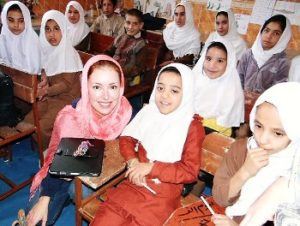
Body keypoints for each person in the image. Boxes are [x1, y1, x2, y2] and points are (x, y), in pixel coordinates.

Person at [90, 63, 205, 226]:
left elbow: (189, 172)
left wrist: (151, 168)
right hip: (134, 183)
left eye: (174, 91)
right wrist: (133, 161)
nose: (164, 96)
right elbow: (127, 138)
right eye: (160, 88)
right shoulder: (150, 111)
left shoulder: (192, 127)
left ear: (186, 94)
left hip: (161, 195)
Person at [26, 55, 132, 226]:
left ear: (121, 87)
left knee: (87, 197)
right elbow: (63, 165)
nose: (106, 96)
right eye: (97, 87)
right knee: (37, 220)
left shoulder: (125, 112)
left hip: (101, 173)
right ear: (86, 87)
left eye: (113, 87)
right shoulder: (73, 118)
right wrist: (45, 198)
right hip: (63, 171)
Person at [212, 82, 300, 225]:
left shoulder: (296, 167)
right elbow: (220, 198)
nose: (263, 139)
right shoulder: (241, 149)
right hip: (232, 216)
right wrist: (245, 172)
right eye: (258, 126)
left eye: (278, 133)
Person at [24, 10, 83, 150]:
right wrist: (44, 82)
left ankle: (47, 154)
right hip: (51, 96)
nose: (52, 34)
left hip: (68, 99)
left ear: (63, 29)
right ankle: (39, 146)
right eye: (48, 29)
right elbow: (48, 74)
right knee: (29, 119)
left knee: (42, 126)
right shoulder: (49, 50)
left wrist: (45, 91)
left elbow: (66, 85)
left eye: (56, 29)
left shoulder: (68, 52)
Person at [193, 38, 244, 137]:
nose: (212, 65)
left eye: (220, 61)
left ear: (229, 63)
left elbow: (224, 124)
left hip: (214, 136)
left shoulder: (232, 90)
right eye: (208, 59)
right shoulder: (195, 80)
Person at [238, 14, 292, 94]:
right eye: (266, 30)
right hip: (241, 100)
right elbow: (238, 80)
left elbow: (277, 92)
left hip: (264, 104)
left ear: (283, 37)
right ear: (261, 32)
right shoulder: (248, 54)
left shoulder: (283, 63)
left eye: (276, 33)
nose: (269, 36)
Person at [105, 8, 147, 87]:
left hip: (128, 78)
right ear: (124, 23)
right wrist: (101, 61)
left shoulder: (142, 45)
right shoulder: (120, 37)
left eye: (135, 24)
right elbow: (108, 52)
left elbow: (137, 68)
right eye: (128, 23)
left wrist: (118, 71)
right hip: (112, 72)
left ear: (141, 25)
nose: (130, 27)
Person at [0, 1, 41, 74]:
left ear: (27, 21)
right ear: (5, 20)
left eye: (21, 21)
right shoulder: (3, 37)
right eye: (11, 20)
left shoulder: (32, 41)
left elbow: (35, 70)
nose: (16, 25)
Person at [161, 1, 201, 67]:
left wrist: (172, 62)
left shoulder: (194, 35)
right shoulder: (169, 29)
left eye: (182, 14)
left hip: (183, 67)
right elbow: (161, 49)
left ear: (188, 15)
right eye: (176, 14)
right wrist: (157, 64)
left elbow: (190, 58)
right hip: (165, 64)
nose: (178, 18)